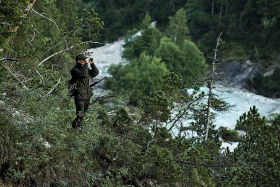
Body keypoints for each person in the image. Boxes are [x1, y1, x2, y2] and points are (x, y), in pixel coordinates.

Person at [70, 54, 99, 128]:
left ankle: (76, 129)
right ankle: (74, 128)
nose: (85, 61)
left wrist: (92, 64)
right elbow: (83, 75)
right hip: (79, 96)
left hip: (87, 95)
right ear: (78, 61)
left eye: (85, 60)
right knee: (80, 115)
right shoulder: (75, 70)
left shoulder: (85, 69)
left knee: (83, 115)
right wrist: (86, 65)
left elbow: (95, 73)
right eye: (83, 60)